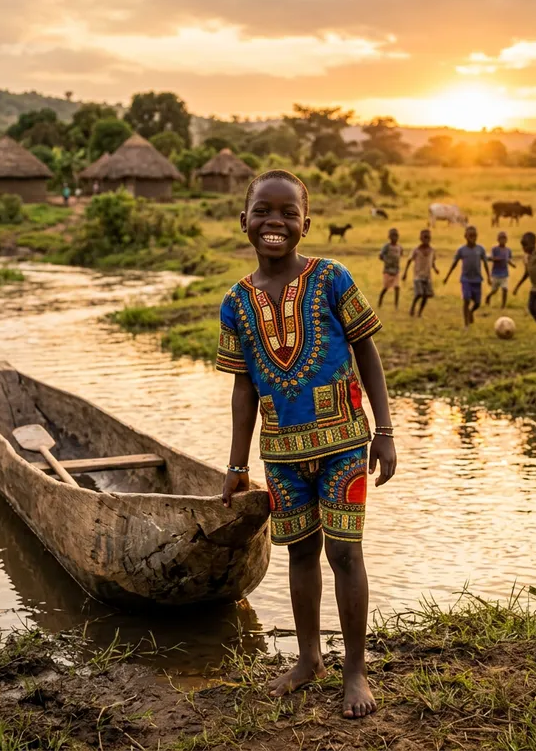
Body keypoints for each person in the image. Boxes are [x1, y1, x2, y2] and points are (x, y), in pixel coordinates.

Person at [217, 170, 397, 720]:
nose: (275, 222)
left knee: (345, 552)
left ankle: (356, 671)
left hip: (345, 442)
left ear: (305, 224)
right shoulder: (235, 302)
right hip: (283, 454)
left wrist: (385, 431)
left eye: (288, 214)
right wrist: (235, 463)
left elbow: (367, 353)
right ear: (243, 220)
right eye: (263, 212)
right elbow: (243, 386)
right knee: (300, 554)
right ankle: (308, 659)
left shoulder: (333, 278)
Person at [443, 226, 491, 328]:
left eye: (474, 235)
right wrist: (447, 277)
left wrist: (489, 277)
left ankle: (471, 311)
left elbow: (485, 263)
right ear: (465, 236)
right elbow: (454, 263)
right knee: (466, 299)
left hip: (477, 279)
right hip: (466, 279)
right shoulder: (461, 250)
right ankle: (466, 324)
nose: (472, 238)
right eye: (470, 235)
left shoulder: (480, 249)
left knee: (477, 303)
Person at [402, 228, 438, 317]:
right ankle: (412, 308)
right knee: (419, 293)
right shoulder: (416, 250)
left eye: (428, 237)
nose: (426, 239)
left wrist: (435, 268)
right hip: (418, 276)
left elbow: (432, 261)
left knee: (426, 296)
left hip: (427, 276)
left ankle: (419, 313)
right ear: (420, 238)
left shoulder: (432, 250)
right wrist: (405, 273)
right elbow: (409, 260)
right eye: (425, 237)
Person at [485, 231, 516, 309]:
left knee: (505, 289)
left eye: (504, 239)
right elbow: (491, 258)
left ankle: (503, 305)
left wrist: (512, 264)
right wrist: (498, 259)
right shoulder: (495, 249)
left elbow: (508, 259)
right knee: (494, 290)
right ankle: (488, 297)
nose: (503, 240)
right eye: (501, 239)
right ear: (498, 240)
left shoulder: (508, 250)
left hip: (504, 274)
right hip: (496, 274)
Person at [378, 228, 403, 309]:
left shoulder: (399, 247)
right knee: (385, 288)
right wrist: (387, 261)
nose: (395, 238)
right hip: (387, 271)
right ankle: (380, 301)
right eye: (393, 236)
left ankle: (396, 305)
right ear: (389, 237)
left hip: (396, 271)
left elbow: (400, 255)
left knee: (397, 287)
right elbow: (380, 256)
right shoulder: (386, 246)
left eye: (396, 236)